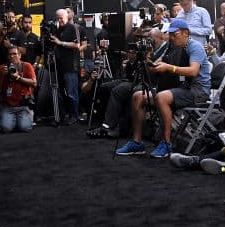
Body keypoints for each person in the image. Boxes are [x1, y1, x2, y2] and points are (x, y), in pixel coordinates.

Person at [115, 19, 211, 158]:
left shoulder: (195, 47)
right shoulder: (173, 48)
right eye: (170, 35)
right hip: (182, 88)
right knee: (138, 96)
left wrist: (169, 68)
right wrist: (147, 59)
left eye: (175, 34)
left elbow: (193, 71)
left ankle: (166, 143)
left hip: (197, 91)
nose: (171, 37)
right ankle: (137, 143)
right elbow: (156, 66)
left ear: (186, 33)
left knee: (162, 97)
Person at [87, 28, 168, 139]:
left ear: (160, 37)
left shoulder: (164, 49)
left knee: (119, 90)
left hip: (148, 81)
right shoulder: (149, 48)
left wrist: (147, 55)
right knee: (105, 86)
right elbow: (134, 69)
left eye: (150, 38)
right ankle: (105, 122)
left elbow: (154, 68)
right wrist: (131, 60)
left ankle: (113, 126)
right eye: (146, 38)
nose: (148, 41)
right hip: (134, 77)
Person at [48, 8, 82, 124]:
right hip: (59, 66)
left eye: (61, 18)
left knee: (72, 92)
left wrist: (60, 43)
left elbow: (77, 45)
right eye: (57, 18)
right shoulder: (56, 30)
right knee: (60, 93)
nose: (59, 20)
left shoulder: (73, 28)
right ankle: (61, 116)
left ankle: (74, 116)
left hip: (70, 66)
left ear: (67, 17)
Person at [0, 45, 37, 133]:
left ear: (20, 55)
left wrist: (18, 77)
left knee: (25, 128)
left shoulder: (26, 66)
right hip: (8, 107)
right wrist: (2, 76)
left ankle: (23, 119)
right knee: (6, 129)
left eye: (15, 54)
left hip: (23, 106)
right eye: (10, 54)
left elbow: (34, 83)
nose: (12, 56)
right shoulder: (2, 68)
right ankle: (15, 121)